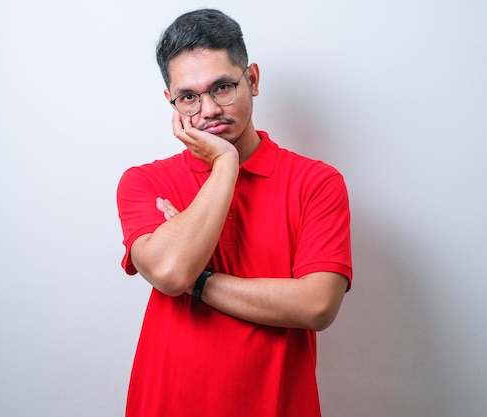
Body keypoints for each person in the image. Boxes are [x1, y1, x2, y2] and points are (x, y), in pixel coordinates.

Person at [116, 8, 352, 417]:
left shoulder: (317, 182)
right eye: (188, 97)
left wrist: (199, 281)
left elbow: (316, 306)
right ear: (170, 101)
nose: (207, 111)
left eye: (222, 87)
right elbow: (171, 273)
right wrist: (225, 166)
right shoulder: (145, 182)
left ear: (253, 80)